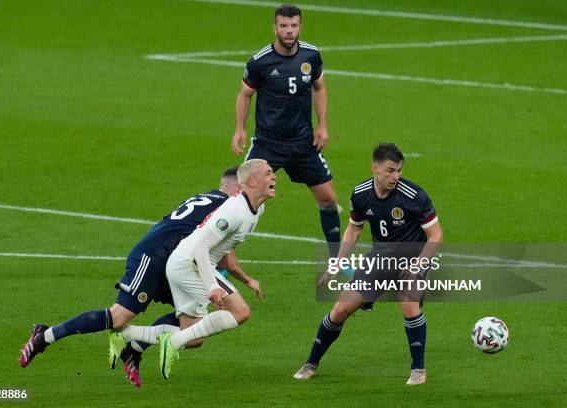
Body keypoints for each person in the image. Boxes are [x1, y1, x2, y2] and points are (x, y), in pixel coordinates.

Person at [19, 167, 262, 387]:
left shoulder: (208, 198)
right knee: (119, 317)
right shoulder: (227, 207)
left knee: (195, 332)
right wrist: (246, 280)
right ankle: (45, 335)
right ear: (238, 187)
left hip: (177, 261)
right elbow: (226, 258)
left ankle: (134, 348)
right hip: (154, 256)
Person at [294, 143, 443, 385]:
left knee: (409, 304)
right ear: (375, 168)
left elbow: (435, 235)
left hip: (413, 257)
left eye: (399, 171)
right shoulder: (361, 194)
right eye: (390, 171)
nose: (396, 176)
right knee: (340, 310)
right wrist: (337, 263)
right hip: (380, 258)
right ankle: (311, 363)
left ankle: (418, 370)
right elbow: (354, 229)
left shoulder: (414, 196)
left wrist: (417, 266)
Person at [114, 159, 276, 379]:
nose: (274, 177)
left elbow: (222, 252)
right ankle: (169, 342)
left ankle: (127, 334)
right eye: (268, 173)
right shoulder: (233, 210)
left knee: (195, 337)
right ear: (250, 181)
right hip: (189, 264)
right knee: (240, 312)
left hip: (192, 263)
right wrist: (212, 285)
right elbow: (201, 247)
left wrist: (243, 279)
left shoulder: (256, 208)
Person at [231, 3, 341, 258]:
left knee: (328, 199)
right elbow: (245, 94)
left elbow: (320, 87)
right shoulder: (260, 61)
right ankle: (223, 259)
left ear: (300, 27)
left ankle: (336, 260)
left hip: (303, 142)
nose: (289, 31)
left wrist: (323, 125)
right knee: (241, 201)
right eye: (284, 26)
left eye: (293, 26)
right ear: (275, 28)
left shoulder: (311, 56)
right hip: (268, 143)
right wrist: (239, 129)